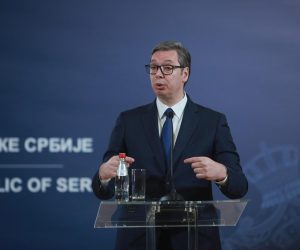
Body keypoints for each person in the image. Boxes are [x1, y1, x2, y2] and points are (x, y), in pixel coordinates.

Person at [92, 41, 248, 250]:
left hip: (194, 239)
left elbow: (239, 186)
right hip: (140, 238)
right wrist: (103, 175)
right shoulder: (128, 121)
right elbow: (103, 189)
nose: (158, 74)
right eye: (153, 67)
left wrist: (222, 173)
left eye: (167, 68)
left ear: (185, 74)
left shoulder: (212, 121)